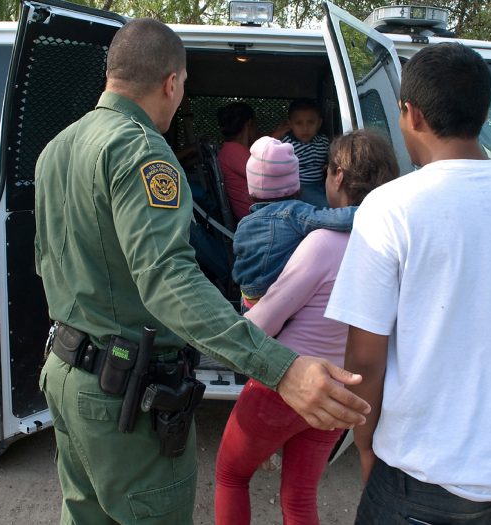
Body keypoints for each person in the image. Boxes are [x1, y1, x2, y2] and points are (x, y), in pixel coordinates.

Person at [32, 18, 370, 525]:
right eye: (184, 85)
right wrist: (281, 367)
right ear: (172, 82)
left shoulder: (56, 149)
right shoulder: (141, 151)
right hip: (123, 396)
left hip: (66, 375)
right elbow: (170, 282)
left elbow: (47, 260)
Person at [326, 42, 491, 525]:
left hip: (418, 474)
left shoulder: (391, 207)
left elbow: (364, 358)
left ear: (411, 114)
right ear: (485, 112)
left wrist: (364, 445)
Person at [216, 130, 400, 525]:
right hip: (340, 393)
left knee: (231, 475)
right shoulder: (394, 247)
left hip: (286, 383)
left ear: (337, 176)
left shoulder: (322, 243)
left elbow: (263, 324)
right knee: (299, 496)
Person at [230, 135, 356, 310]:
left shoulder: (244, 223)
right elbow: (337, 219)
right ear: (296, 188)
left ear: (252, 192)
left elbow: (239, 258)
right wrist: (377, 207)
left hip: (247, 298)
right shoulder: (293, 212)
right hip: (274, 296)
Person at [273, 98, 330, 207]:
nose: (305, 128)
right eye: (299, 123)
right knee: (326, 206)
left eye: (311, 122)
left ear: (319, 123)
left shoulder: (323, 141)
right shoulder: (287, 144)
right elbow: (267, 149)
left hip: (322, 184)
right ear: (290, 124)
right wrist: (277, 134)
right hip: (300, 188)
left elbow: (328, 161)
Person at [217, 101, 258, 220]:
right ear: (249, 124)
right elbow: (267, 177)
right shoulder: (233, 151)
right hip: (255, 217)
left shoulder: (230, 149)